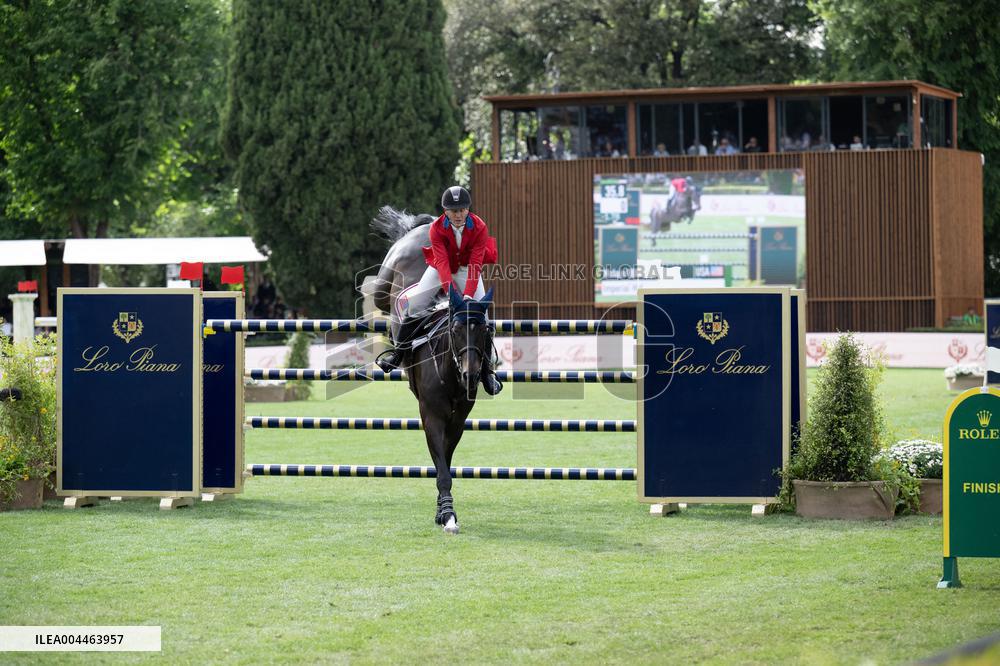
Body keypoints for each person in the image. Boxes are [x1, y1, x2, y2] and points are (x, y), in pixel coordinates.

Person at [378, 186, 502, 395]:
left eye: (462, 210)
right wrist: (454, 296)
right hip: (439, 269)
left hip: (466, 270)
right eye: (454, 211)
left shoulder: (479, 226)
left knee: (484, 316)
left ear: (467, 209)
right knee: (414, 306)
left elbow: (475, 265)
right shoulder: (436, 228)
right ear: (445, 211)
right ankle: (398, 354)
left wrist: (469, 296)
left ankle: (487, 373)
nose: (459, 215)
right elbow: (443, 266)